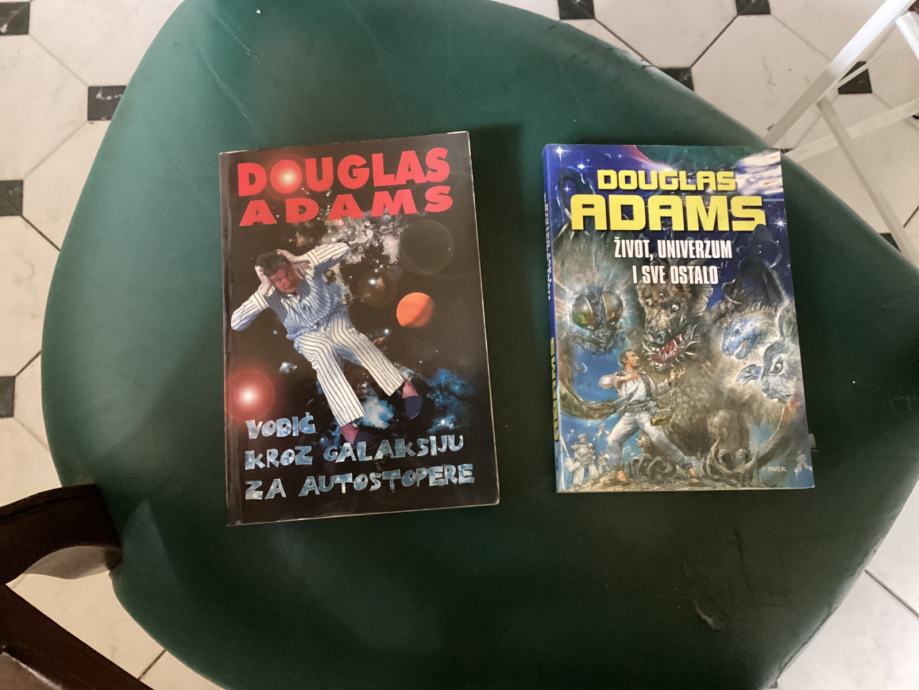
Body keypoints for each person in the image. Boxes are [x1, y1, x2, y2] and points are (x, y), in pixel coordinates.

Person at [230, 243, 421, 445]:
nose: (286, 281)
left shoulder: (305, 266)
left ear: (291, 267)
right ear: (270, 280)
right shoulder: (268, 293)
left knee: (350, 340)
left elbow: (344, 249)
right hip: (305, 335)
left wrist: (300, 258)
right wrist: (264, 289)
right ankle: (348, 426)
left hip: (334, 318)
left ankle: (404, 386)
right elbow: (236, 323)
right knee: (323, 352)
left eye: (287, 274)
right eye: (278, 280)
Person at [599, 350, 691, 481]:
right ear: (625, 360)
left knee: (660, 439)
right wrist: (624, 378)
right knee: (612, 440)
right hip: (629, 415)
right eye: (633, 356)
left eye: (636, 355)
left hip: (645, 413)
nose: (637, 358)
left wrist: (670, 380)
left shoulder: (644, 376)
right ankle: (619, 473)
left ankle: (688, 467)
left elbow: (657, 391)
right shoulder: (619, 376)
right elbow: (603, 382)